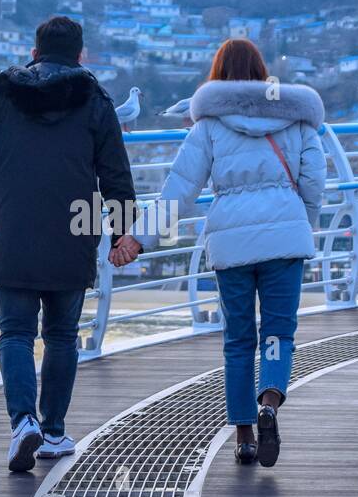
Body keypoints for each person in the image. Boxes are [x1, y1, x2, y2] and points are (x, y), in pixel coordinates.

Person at [115, 39, 324, 467]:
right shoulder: (298, 122)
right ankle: (269, 403)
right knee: (278, 333)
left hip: (231, 245)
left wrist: (138, 238)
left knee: (238, 339)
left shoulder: (208, 126)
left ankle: (245, 434)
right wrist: (298, 221)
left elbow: (180, 190)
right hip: (285, 241)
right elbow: (314, 182)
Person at [0, 16, 136, 472]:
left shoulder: (1, 92)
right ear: (80, 55)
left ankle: (23, 423)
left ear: (34, 52)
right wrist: (121, 232)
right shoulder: (95, 98)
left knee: (15, 332)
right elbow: (115, 173)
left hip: (14, 227)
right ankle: (54, 432)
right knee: (61, 334)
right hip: (76, 228)